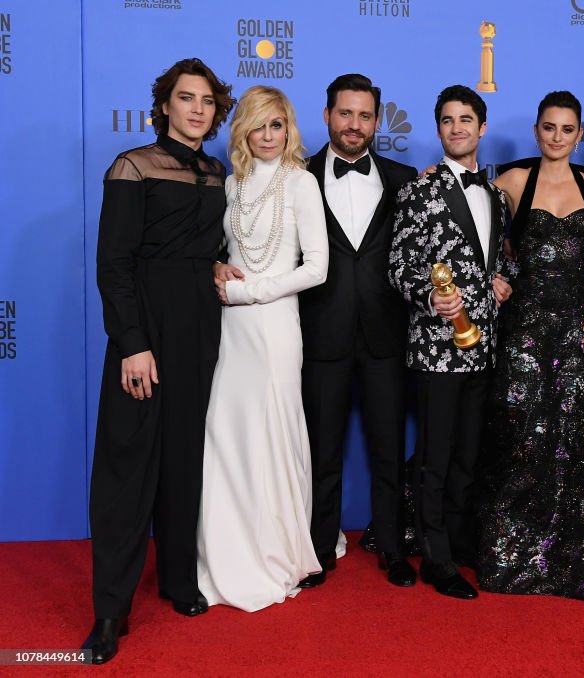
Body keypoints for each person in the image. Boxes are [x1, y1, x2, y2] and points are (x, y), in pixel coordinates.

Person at [84, 58, 234, 664]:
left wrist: (219, 264)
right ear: (165, 105)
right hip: (145, 330)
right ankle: (110, 612)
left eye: (206, 101)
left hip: (199, 327)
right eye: (185, 98)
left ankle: (177, 580)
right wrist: (131, 343)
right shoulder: (133, 166)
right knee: (127, 470)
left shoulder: (217, 171)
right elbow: (113, 265)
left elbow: (208, 248)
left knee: (183, 459)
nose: (197, 109)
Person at [475, 91, 584, 602]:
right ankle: (515, 551)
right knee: (525, 432)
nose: (557, 137)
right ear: (537, 131)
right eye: (548, 128)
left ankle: (583, 555)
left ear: (580, 133)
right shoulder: (516, 181)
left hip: (582, 325)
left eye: (567, 129)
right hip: (527, 326)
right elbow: (469, 214)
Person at [196, 85, 327, 611]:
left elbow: (316, 268)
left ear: (289, 128)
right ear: (243, 131)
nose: (269, 136)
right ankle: (227, 551)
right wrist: (214, 268)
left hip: (273, 326)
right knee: (228, 436)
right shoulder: (229, 184)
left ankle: (275, 552)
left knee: (273, 434)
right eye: (259, 125)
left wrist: (248, 292)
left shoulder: (301, 182)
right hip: (231, 331)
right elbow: (215, 250)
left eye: (278, 125)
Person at [388, 85, 511, 600]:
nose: (457, 128)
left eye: (466, 119)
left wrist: (505, 279)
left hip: (483, 346)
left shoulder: (498, 194)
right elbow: (398, 265)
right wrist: (426, 296)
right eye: (447, 120)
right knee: (436, 458)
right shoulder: (419, 192)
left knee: (468, 456)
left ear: (482, 128)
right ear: (438, 129)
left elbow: (498, 259)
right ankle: (436, 558)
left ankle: (460, 544)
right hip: (437, 347)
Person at [298, 74, 418, 589]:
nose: (355, 124)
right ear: (327, 116)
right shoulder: (296, 177)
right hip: (318, 336)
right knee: (321, 453)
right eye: (345, 114)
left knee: (387, 450)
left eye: (365, 115)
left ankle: (392, 547)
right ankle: (319, 550)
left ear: (376, 121)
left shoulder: (405, 178)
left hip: (385, 338)